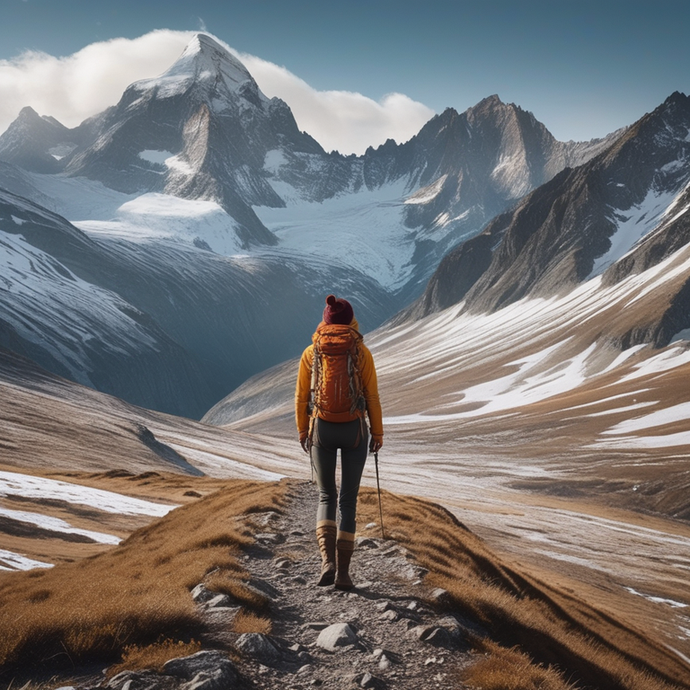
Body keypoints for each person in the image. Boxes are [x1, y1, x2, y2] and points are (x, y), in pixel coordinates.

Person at [295, 294, 384, 590]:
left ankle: (326, 563)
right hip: (355, 430)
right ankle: (344, 574)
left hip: (322, 427)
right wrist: (378, 433)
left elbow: (301, 396)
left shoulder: (312, 352)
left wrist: (303, 431)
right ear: (351, 320)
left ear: (326, 319)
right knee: (348, 500)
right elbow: (371, 395)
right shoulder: (361, 352)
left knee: (326, 496)